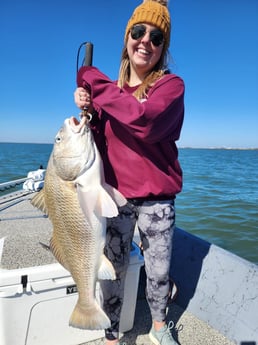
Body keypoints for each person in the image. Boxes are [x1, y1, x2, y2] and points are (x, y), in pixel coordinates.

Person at [74, 1, 185, 344]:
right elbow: (99, 144)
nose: (145, 41)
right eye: (138, 32)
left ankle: (157, 327)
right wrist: (88, 115)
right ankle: (110, 332)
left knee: (159, 271)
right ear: (127, 38)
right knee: (112, 269)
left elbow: (144, 121)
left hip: (157, 199)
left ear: (163, 49)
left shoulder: (171, 87)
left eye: (157, 37)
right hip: (115, 197)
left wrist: (90, 78)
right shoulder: (110, 96)